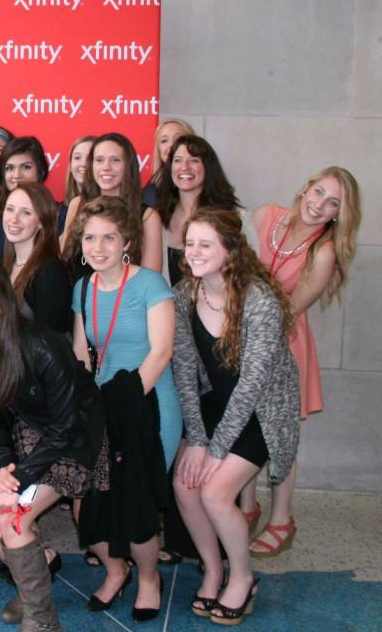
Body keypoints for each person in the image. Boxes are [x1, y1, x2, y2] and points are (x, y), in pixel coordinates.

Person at [0, 261, 104, 632]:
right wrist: (4, 470)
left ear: (0, 303)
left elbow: (66, 426)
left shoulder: (41, 344)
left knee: (12, 519)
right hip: (34, 428)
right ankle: (37, 580)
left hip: (77, 436)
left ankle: (42, 619)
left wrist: (18, 480)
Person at [172, 208, 300, 625]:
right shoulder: (184, 294)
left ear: (230, 250)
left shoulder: (259, 300)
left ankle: (242, 577)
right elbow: (186, 371)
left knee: (214, 492)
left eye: (205, 244)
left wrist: (215, 450)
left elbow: (252, 386)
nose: (194, 252)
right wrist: (196, 438)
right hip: (216, 404)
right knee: (185, 483)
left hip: (262, 411)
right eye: (190, 243)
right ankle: (213, 569)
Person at [70, 196, 180, 622]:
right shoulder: (83, 288)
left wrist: (125, 402)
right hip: (103, 404)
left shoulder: (150, 283)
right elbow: (82, 353)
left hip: (147, 402)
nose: (98, 247)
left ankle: (149, 578)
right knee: (88, 506)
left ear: (126, 242)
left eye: (108, 238)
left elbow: (162, 351)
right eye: (91, 237)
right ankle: (116, 571)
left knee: (135, 503)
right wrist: (85, 406)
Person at [241, 167, 362, 558]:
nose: (320, 204)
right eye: (319, 192)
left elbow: (289, 312)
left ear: (338, 215)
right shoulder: (265, 217)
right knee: (243, 426)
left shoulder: (323, 252)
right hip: (241, 337)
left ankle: (281, 519)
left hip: (282, 345)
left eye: (332, 203)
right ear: (306, 188)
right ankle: (246, 507)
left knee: (279, 437)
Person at [62, 133, 163, 274]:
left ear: (129, 166)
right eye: (99, 160)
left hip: (128, 295)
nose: (106, 167)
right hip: (79, 293)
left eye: (115, 160)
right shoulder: (77, 205)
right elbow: (65, 258)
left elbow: (150, 279)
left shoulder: (147, 217)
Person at [156, 135, 241, 286]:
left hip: (221, 308)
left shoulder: (234, 216)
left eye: (194, 160)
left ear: (208, 168)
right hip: (168, 308)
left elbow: (247, 271)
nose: (184, 167)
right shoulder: (157, 218)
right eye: (177, 160)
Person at [3, 181, 72, 334]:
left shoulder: (50, 271)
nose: (14, 219)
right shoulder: (5, 266)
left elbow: (48, 336)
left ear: (42, 221)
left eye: (25, 212)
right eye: (10, 209)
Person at [0, 136, 50, 257]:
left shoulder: (60, 215)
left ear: (41, 172)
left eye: (26, 167)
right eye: (9, 168)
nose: (16, 175)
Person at [144, 118, 196, 207]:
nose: (171, 145)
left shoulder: (207, 185)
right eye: (164, 140)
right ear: (158, 149)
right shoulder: (150, 192)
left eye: (178, 139)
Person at [58, 136, 94, 235]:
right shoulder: (59, 211)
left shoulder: (106, 210)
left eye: (90, 158)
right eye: (77, 158)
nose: (83, 164)